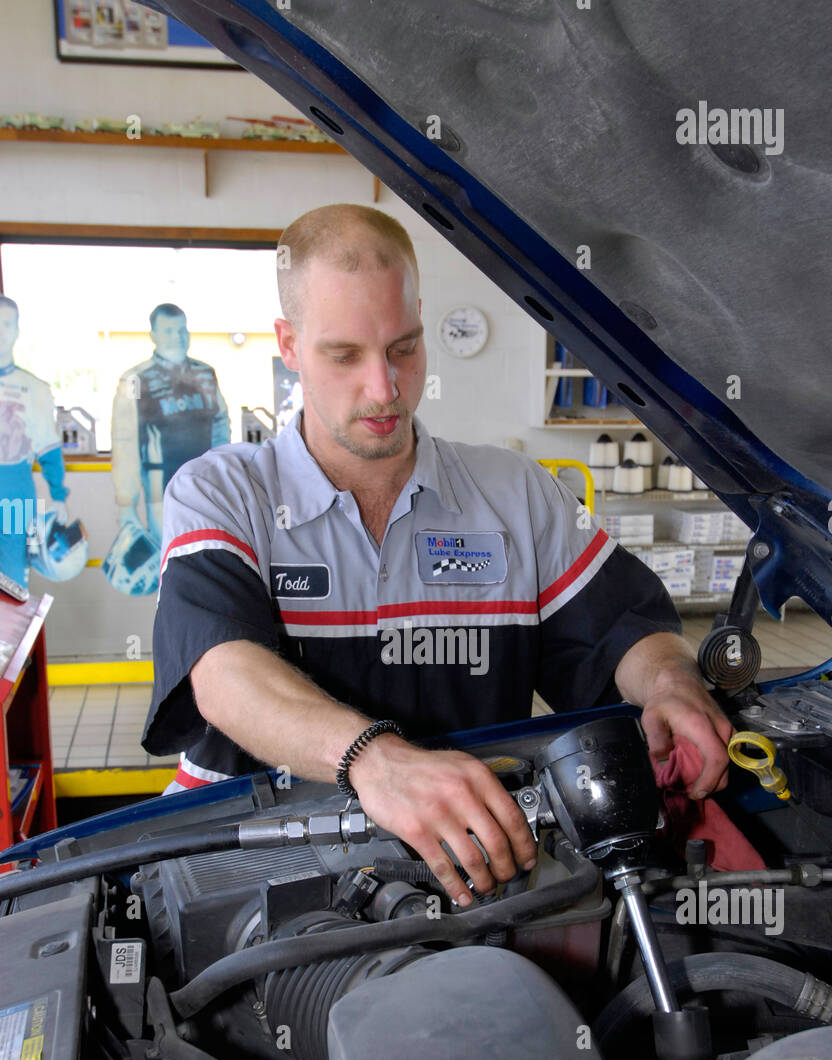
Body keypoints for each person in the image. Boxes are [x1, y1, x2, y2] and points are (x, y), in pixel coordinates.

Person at [143, 204, 732, 907]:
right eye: (345, 355)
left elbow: (620, 630)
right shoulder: (223, 491)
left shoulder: (514, 494)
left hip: (480, 865)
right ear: (289, 344)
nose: (384, 388)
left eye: (404, 347)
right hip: (257, 871)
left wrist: (667, 682)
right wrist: (374, 761)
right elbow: (224, 672)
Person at [110, 303, 229, 544]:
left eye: (182, 330)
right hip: (160, 488)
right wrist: (126, 503)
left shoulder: (205, 373)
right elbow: (125, 443)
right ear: (153, 335)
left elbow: (220, 427)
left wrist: (222, 476)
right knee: (169, 557)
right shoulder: (134, 380)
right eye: (168, 331)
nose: (177, 337)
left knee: (208, 552)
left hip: (205, 484)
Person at [0, 295, 69, 589]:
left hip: (14, 491)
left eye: (6, 324)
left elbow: (50, 450)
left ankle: (7, 636)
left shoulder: (35, 390)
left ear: (16, 330)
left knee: (12, 571)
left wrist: (58, 496)